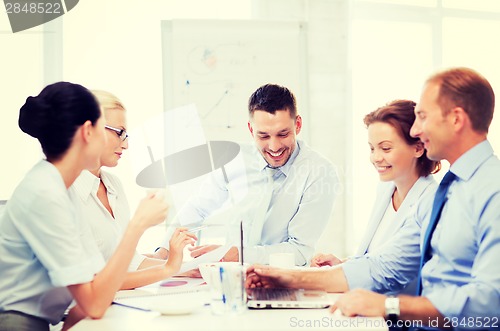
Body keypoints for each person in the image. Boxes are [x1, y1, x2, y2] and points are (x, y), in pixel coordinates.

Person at [246, 67, 500, 328]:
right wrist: (286, 277)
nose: (416, 129)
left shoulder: (492, 190)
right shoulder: (450, 189)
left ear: (456, 119)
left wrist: (389, 307)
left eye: (422, 117)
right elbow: (384, 266)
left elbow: (492, 303)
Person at [0, 82, 172, 330]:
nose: (122, 143)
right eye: (107, 130)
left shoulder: (59, 187)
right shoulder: (45, 193)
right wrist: (138, 225)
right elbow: (94, 303)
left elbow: (95, 286)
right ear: (88, 131)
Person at [153, 84, 339, 266]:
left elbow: (299, 252)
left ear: (297, 125)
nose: (274, 147)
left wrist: (238, 255)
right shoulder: (234, 159)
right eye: (264, 136)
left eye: (283, 134)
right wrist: (164, 249)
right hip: (231, 277)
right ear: (251, 130)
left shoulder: (319, 173)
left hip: (284, 281)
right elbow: (197, 208)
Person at [69, 90, 196, 290]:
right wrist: (170, 267)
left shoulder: (113, 185)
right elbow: (94, 283)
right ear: (88, 130)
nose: (126, 144)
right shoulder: (65, 193)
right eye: (120, 133)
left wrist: (188, 267)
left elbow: (130, 263)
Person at [311, 100, 440, 288]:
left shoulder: (431, 201)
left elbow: (393, 270)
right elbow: (377, 258)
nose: (375, 158)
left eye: (386, 148)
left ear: (418, 148)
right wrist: (343, 265)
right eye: (372, 148)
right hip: (369, 303)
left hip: (399, 311)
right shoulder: (386, 189)